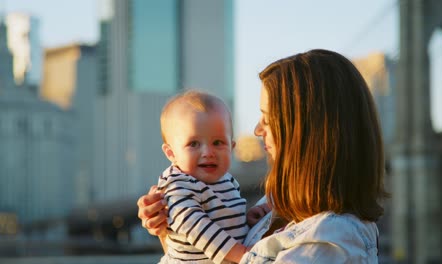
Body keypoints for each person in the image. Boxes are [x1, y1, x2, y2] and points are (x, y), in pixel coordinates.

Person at [138, 49, 388, 263]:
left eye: (268, 118)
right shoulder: (271, 208)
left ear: (308, 130)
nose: (257, 130)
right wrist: (168, 228)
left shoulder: (330, 239)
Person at [153, 90, 249, 264]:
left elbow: (228, 220)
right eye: (193, 144)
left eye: (218, 143)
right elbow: (195, 226)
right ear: (171, 153)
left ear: (231, 147)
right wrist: (243, 255)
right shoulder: (178, 184)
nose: (208, 152)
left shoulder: (228, 181)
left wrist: (249, 218)